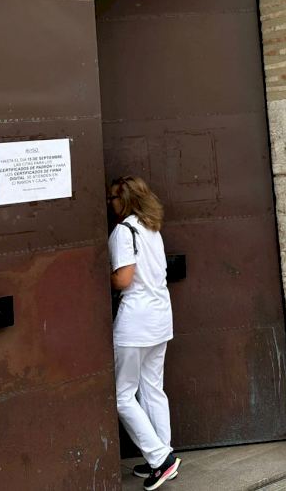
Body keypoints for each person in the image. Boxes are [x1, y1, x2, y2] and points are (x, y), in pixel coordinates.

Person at [108, 175, 180, 490]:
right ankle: (165, 456)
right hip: (160, 318)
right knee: (152, 389)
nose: (109, 203)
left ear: (125, 200)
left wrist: (102, 277)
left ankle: (160, 459)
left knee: (122, 395)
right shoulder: (151, 228)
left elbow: (124, 279)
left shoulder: (123, 231)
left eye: (112, 198)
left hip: (135, 322)